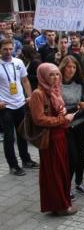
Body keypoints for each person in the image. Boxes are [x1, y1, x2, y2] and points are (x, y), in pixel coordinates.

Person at [30, 63, 77, 215]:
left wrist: (63, 114)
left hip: (60, 136)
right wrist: (62, 119)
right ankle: (61, 206)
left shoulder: (55, 90)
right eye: (51, 75)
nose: (55, 78)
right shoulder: (38, 93)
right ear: (43, 76)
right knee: (54, 172)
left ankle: (59, 203)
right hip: (50, 139)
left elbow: (56, 112)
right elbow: (39, 119)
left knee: (61, 170)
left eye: (57, 74)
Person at [0, 39, 38, 176]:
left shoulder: (18, 62)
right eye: (5, 49)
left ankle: (26, 160)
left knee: (23, 134)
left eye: (10, 49)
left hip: (20, 103)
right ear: (0, 50)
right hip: (6, 107)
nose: (8, 52)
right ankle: (13, 165)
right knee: (9, 138)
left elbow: (25, 80)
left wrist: (30, 96)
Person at [59, 56, 84, 199]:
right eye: (68, 67)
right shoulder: (57, 84)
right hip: (66, 125)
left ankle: (79, 182)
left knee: (80, 155)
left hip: (80, 122)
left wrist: (83, 104)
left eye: (74, 67)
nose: (71, 70)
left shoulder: (79, 84)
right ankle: (67, 186)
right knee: (71, 157)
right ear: (63, 67)